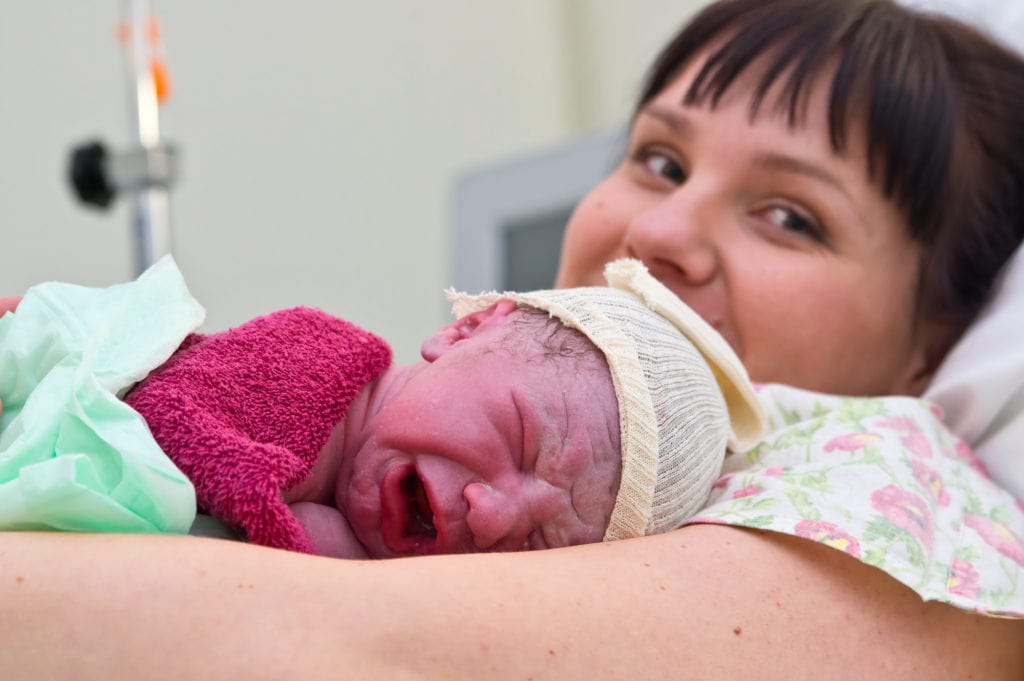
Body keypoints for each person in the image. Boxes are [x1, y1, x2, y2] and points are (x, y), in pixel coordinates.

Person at [3, 0, 1024, 678]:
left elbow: (322, 643)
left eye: (790, 217)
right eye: (660, 161)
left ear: (931, 344)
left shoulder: (892, 499)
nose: (658, 232)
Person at [0, 257, 764, 559]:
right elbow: (170, 420)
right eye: (523, 438)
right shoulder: (320, 357)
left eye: (535, 545)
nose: (495, 516)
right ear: (465, 329)